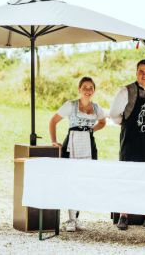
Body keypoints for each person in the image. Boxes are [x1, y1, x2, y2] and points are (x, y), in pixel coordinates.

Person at [109, 59, 145, 230]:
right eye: (141, 71)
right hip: (131, 142)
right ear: (136, 72)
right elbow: (114, 115)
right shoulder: (126, 91)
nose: (144, 75)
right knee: (128, 177)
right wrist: (129, 124)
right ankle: (123, 215)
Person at [49, 76, 106, 232]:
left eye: (90, 88)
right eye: (85, 87)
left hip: (88, 144)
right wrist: (54, 141)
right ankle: (70, 219)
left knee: (84, 180)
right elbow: (53, 121)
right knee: (71, 179)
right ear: (79, 89)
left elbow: (102, 122)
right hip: (72, 145)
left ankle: (76, 217)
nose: (88, 90)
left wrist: (90, 130)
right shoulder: (71, 105)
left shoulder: (96, 108)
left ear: (94, 90)